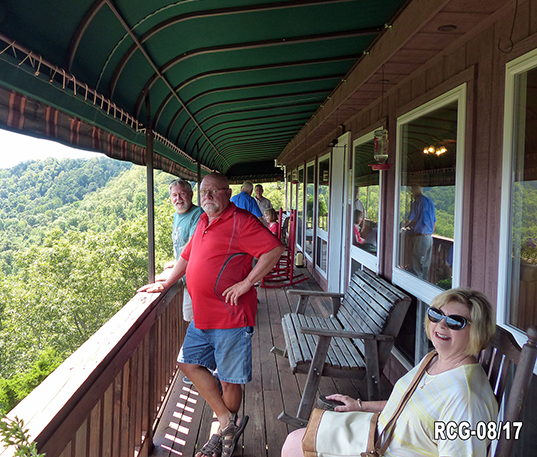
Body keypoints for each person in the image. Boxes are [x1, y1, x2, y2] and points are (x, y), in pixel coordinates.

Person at [139, 172, 284, 457]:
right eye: (204, 191)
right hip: (203, 315)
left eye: (214, 191)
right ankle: (228, 421)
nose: (207, 196)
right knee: (187, 363)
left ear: (227, 193)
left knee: (229, 379)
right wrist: (165, 283)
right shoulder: (203, 221)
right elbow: (186, 257)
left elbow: (274, 249)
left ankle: (220, 436)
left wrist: (246, 283)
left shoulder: (242, 221)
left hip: (231, 316)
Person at [281, 287, 498, 457]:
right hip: (376, 436)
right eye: (436, 314)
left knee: (295, 448)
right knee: (295, 441)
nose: (441, 324)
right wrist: (360, 406)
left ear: (477, 331)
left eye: (455, 322)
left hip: (384, 449)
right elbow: (408, 404)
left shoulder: (465, 399)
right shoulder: (433, 359)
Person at [162, 179, 203, 324]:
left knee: (198, 323)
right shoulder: (176, 215)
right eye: (174, 195)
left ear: (191, 194)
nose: (178, 198)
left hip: (199, 281)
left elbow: (191, 248)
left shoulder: (198, 214)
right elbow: (181, 244)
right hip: (186, 279)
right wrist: (176, 262)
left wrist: (168, 281)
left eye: (182, 194)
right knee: (190, 320)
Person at [403, 184, 436, 279]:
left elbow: (410, 219)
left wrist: (400, 226)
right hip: (429, 238)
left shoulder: (417, 202)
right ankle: (424, 284)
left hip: (420, 237)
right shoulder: (429, 201)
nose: (411, 193)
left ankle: (415, 286)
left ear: (414, 191)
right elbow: (434, 222)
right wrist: (428, 233)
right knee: (425, 266)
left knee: (416, 266)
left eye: (411, 191)